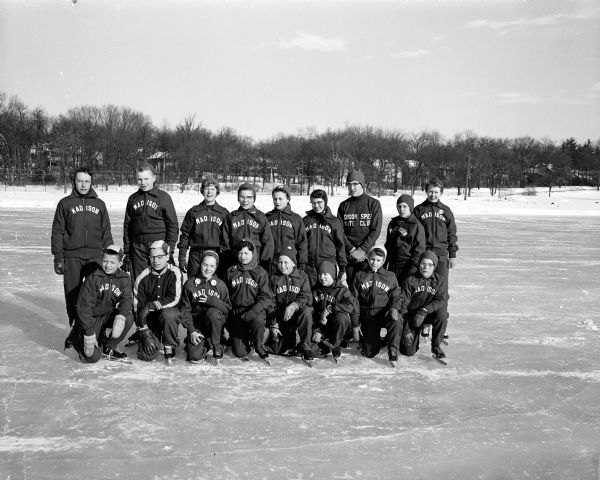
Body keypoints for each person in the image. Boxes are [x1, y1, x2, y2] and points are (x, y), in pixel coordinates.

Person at [51, 167, 113, 346]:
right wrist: (58, 256)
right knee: (73, 294)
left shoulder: (99, 204)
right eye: (80, 181)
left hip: (95, 255)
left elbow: (106, 231)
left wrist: (110, 255)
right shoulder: (65, 204)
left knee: (96, 294)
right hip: (72, 256)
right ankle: (77, 329)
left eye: (87, 181)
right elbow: (57, 232)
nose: (83, 185)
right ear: (74, 182)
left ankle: (94, 327)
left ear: (91, 182)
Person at [71, 245, 134, 363]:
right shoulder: (93, 278)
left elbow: (127, 300)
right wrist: (89, 333)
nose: (108, 265)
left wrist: (120, 317)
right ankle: (78, 336)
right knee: (92, 358)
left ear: (120, 264)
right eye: (105, 261)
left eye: (112, 262)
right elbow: (84, 308)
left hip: (107, 315)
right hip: (91, 319)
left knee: (128, 317)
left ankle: (109, 347)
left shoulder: (124, 278)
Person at [412, 177, 458, 342]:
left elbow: (452, 234)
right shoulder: (419, 210)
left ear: (441, 193)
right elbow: (414, 233)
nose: (433, 194)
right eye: (430, 191)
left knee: (441, 290)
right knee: (423, 288)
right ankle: (425, 322)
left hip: (441, 256)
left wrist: (452, 254)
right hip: (424, 255)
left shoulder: (446, 211)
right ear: (426, 191)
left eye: (436, 192)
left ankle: (441, 324)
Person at [123, 162, 179, 283]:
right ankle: (140, 303)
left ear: (154, 177)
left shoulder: (164, 198)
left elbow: (172, 226)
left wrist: (169, 248)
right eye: (139, 179)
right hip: (137, 248)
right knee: (139, 281)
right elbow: (127, 226)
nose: (143, 182)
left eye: (146, 179)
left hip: (158, 246)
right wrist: (127, 250)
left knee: (159, 282)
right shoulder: (133, 199)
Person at [132, 241, 183, 362]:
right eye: (153, 257)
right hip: (151, 318)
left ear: (167, 256)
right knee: (147, 356)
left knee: (169, 314)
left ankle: (169, 344)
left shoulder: (175, 272)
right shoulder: (142, 277)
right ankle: (153, 337)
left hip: (168, 314)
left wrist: (152, 305)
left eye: (160, 257)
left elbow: (175, 298)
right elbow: (137, 307)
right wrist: (144, 332)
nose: (156, 261)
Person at [350, 246, 402, 363]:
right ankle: (376, 339)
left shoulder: (390, 276)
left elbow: (396, 295)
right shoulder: (359, 275)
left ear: (383, 261)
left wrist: (394, 308)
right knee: (369, 353)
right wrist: (355, 323)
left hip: (384, 313)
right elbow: (354, 300)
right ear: (368, 258)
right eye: (372, 259)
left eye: (378, 260)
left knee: (397, 319)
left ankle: (392, 348)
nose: (375, 263)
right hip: (368, 315)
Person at [225, 241, 273, 362]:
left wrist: (253, 311)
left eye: (246, 253)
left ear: (253, 253)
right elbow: (225, 295)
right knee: (240, 352)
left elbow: (266, 297)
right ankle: (242, 338)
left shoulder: (260, 272)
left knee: (258, 321)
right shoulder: (231, 271)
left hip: (254, 310)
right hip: (237, 311)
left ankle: (258, 344)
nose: (243, 256)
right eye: (240, 253)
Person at [180, 251, 232, 363]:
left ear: (216, 267)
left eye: (212, 266)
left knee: (213, 313)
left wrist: (212, 301)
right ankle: (200, 343)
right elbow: (185, 310)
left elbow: (227, 309)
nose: (208, 269)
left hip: (214, 326)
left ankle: (217, 342)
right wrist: (191, 331)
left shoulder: (221, 286)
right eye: (205, 265)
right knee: (194, 357)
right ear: (200, 264)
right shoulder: (190, 284)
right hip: (197, 327)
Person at [399, 250, 448, 363]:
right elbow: (402, 306)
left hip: (428, 314)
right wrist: (406, 330)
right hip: (412, 317)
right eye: (423, 263)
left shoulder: (439, 280)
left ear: (434, 266)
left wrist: (425, 310)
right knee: (407, 352)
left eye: (430, 265)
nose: (426, 267)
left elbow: (442, 300)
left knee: (442, 314)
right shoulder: (409, 281)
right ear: (419, 264)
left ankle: (436, 346)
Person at [266, 249, 313, 364]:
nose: (282, 266)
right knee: (278, 350)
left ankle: (306, 347)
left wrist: (294, 305)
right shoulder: (274, 278)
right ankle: (289, 340)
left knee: (307, 311)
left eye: (286, 262)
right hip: (282, 317)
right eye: (280, 262)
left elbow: (306, 295)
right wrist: (273, 323)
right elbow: (270, 302)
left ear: (293, 263)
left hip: (298, 314)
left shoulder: (302, 276)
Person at [337, 169, 383, 283]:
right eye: (349, 184)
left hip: (367, 256)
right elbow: (339, 231)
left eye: (355, 184)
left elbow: (375, 230)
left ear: (362, 184)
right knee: (352, 288)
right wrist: (352, 250)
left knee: (365, 288)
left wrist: (361, 250)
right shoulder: (344, 206)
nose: (352, 187)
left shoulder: (373, 204)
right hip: (350, 256)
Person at [177, 178, 229, 278]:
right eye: (206, 188)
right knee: (193, 285)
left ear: (217, 191)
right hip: (196, 255)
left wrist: (226, 259)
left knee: (215, 287)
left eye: (213, 189)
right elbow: (185, 236)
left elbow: (227, 239)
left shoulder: (224, 213)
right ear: (202, 191)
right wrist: (182, 258)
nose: (209, 192)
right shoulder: (193, 212)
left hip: (216, 254)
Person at [220, 182, 274, 273]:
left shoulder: (260, 217)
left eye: (249, 197)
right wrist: (227, 261)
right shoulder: (231, 217)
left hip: (256, 263)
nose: (245, 201)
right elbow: (225, 242)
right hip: (235, 262)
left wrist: (264, 263)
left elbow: (268, 242)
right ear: (238, 198)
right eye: (242, 197)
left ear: (254, 199)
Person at [311, 260, 358, 361]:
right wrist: (317, 331)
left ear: (332, 275)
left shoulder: (342, 290)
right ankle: (325, 344)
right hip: (322, 327)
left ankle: (336, 344)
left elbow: (350, 306)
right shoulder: (315, 290)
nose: (322, 277)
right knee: (310, 350)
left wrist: (333, 308)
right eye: (320, 274)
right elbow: (312, 313)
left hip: (337, 326)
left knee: (342, 317)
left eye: (325, 274)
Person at [302, 189, 347, 288]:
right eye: (313, 203)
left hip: (328, 264)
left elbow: (340, 246)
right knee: (311, 293)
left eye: (319, 202)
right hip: (310, 265)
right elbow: (301, 243)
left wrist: (343, 268)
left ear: (325, 202)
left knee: (328, 292)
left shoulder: (334, 221)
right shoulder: (306, 220)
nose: (316, 206)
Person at [266, 185, 308, 276]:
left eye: (280, 199)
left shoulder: (296, 219)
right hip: (271, 265)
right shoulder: (267, 218)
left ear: (288, 199)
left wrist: (302, 265)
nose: (277, 202)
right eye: (275, 199)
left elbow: (302, 243)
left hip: (289, 265)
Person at [383, 194, 426, 285]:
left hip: (406, 266)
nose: (401, 209)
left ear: (410, 207)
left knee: (403, 295)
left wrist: (410, 271)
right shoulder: (393, 223)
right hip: (392, 265)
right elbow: (388, 245)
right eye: (399, 206)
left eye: (404, 206)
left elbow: (419, 251)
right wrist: (384, 263)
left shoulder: (416, 226)